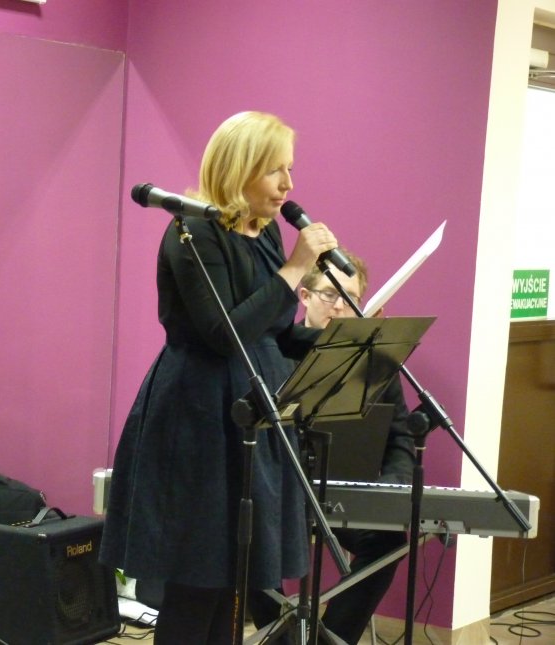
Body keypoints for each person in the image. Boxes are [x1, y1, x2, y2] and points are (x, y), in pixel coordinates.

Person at [99, 111, 342, 644]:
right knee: (199, 577)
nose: (289, 185)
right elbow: (224, 333)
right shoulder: (193, 232)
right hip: (199, 415)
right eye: (275, 170)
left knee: (235, 579)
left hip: (254, 410)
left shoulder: (266, 232)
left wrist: (333, 341)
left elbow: (271, 332)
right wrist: (295, 269)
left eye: (290, 169)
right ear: (239, 168)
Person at [298, 252, 414, 644]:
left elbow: (400, 437)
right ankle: (281, 635)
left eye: (349, 299)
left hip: (347, 493)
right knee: (249, 538)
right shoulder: (274, 351)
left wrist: (392, 486)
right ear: (304, 296)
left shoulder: (376, 363)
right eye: (329, 294)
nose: (338, 307)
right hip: (283, 495)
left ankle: (329, 638)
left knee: (387, 541)